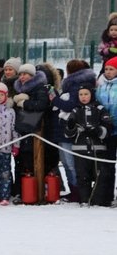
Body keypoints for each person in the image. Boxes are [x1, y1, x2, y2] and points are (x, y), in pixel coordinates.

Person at [51, 60, 96, 202]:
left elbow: (69, 105)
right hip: (64, 129)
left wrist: (54, 99)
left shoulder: (76, 85)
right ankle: (75, 190)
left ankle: (78, 191)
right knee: (66, 161)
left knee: (70, 162)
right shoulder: (74, 84)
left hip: (69, 129)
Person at [65, 86, 112, 205]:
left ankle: (98, 201)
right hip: (80, 149)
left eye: (86, 94)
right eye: (81, 94)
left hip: (98, 149)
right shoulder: (76, 110)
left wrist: (98, 130)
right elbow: (68, 135)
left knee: (100, 176)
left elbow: (108, 128)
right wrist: (70, 127)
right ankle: (84, 200)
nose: (83, 97)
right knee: (82, 176)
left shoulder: (100, 109)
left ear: (91, 94)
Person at [12, 63, 49, 202]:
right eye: (20, 74)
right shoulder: (18, 88)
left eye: (25, 74)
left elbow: (41, 105)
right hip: (21, 127)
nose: (22, 77)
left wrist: (25, 103)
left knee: (29, 161)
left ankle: (31, 192)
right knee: (19, 161)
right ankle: (19, 191)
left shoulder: (40, 88)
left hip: (33, 129)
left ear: (32, 76)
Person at [94, 56, 117, 207]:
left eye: (112, 69)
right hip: (107, 131)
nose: (108, 72)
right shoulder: (100, 85)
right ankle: (106, 195)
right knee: (107, 164)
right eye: (106, 69)